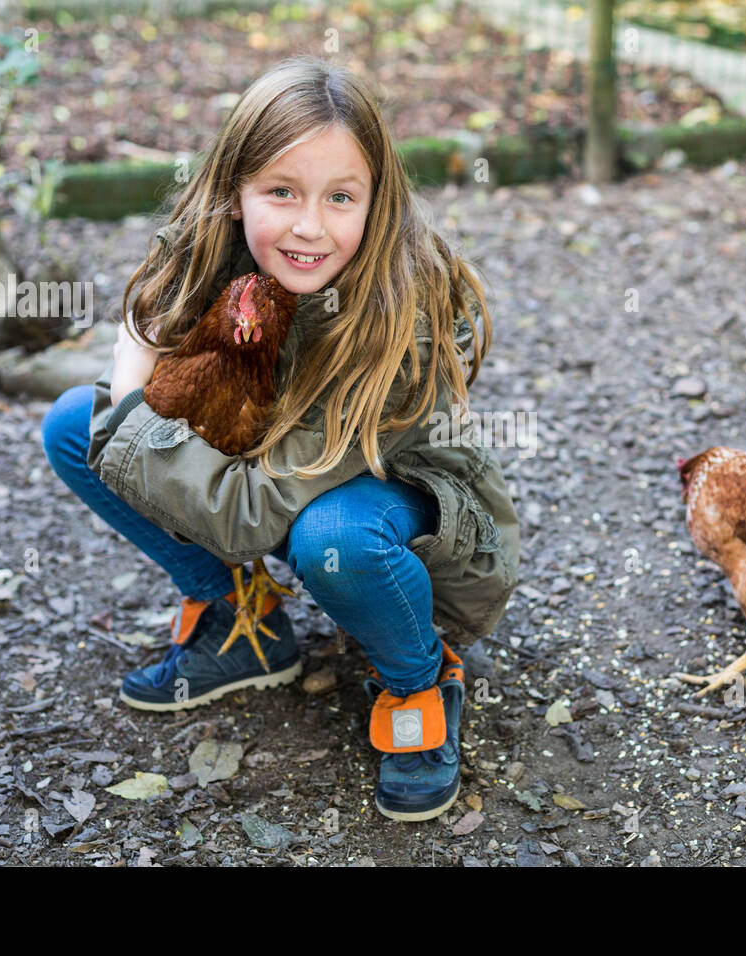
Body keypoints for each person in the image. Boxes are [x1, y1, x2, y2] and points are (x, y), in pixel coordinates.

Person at [40, 55, 520, 822]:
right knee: (74, 425)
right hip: (276, 473)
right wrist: (141, 389)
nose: (309, 226)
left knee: (334, 537)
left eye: (340, 197)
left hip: (404, 512)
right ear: (236, 191)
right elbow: (176, 426)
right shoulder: (212, 251)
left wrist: (132, 376)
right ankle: (242, 621)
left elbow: (246, 515)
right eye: (281, 192)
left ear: (377, 201)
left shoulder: (403, 321)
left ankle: (419, 679)